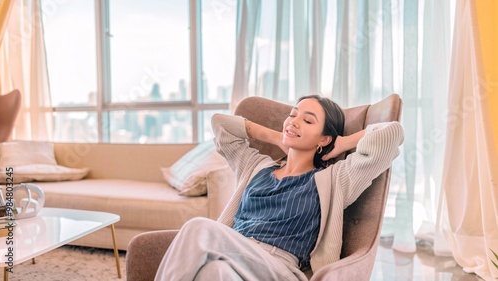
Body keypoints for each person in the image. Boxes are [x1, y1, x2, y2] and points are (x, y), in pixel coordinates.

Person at [154, 95, 404, 281]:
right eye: (292, 115)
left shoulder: (334, 179)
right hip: (235, 256)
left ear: (323, 138)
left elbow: (392, 133)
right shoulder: (256, 167)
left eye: (307, 120)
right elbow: (220, 124)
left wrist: (342, 144)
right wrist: (277, 137)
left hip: (279, 269)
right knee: (214, 272)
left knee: (199, 228)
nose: (294, 122)